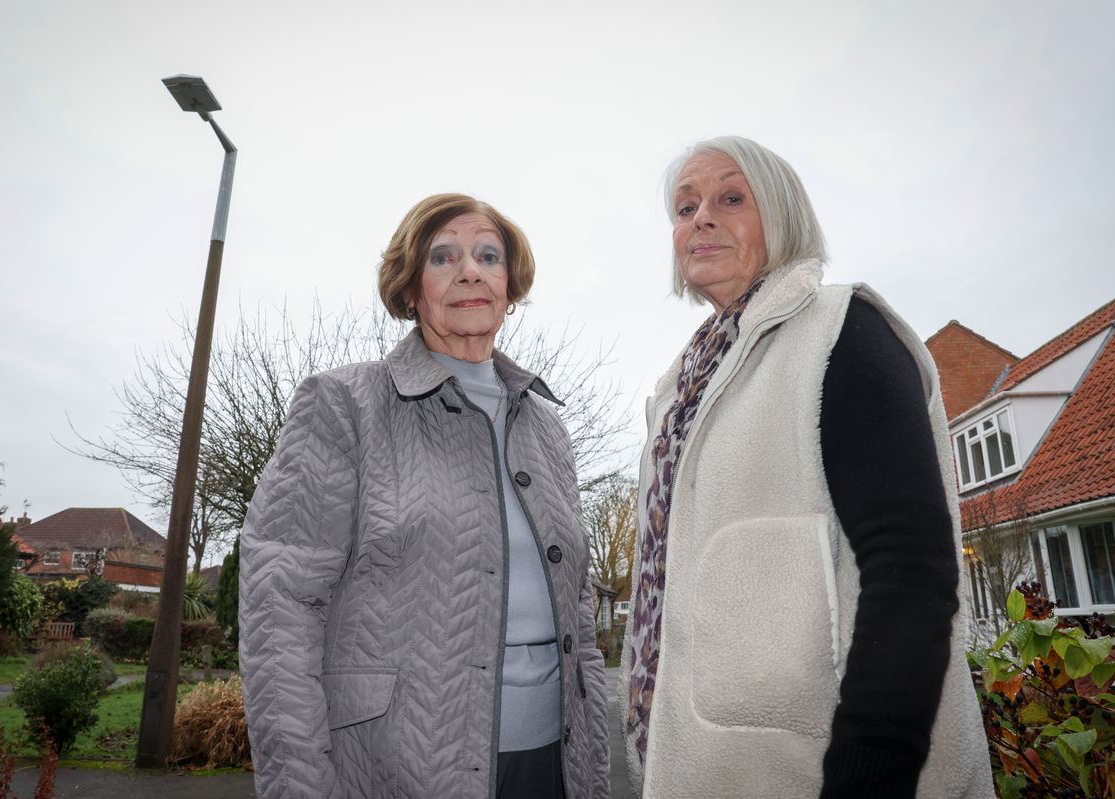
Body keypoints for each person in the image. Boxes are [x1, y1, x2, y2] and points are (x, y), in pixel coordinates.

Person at [618, 137, 992, 798]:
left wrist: (868, 776)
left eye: (731, 197)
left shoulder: (842, 330)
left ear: (784, 215)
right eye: (684, 206)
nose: (700, 217)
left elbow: (912, 574)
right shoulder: (677, 390)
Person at [240, 193, 610, 799]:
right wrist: (298, 785)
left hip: (555, 764)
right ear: (411, 288)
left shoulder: (548, 427)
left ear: (509, 288)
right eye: (444, 257)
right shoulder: (342, 406)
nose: (471, 270)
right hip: (396, 766)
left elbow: (582, 624)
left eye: (489, 256)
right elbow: (278, 613)